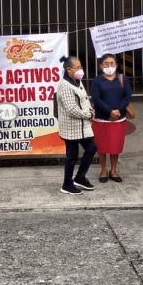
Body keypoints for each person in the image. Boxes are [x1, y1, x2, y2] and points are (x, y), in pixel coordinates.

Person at [57, 55, 96, 195]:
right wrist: (88, 115)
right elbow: (71, 109)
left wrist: (90, 110)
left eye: (81, 67)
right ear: (69, 70)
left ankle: (79, 177)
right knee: (72, 156)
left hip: (83, 126)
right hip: (71, 128)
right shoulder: (64, 86)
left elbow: (84, 100)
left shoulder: (77, 81)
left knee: (91, 148)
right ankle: (67, 184)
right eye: (78, 67)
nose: (81, 70)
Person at [91, 54, 132, 183]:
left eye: (112, 63)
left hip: (118, 119)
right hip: (101, 119)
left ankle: (113, 170)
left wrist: (118, 111)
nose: (109, 66)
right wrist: (110, 111)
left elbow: (127, 96)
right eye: (106, 63)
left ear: (116, 65)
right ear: (101, 65)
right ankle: (103, 170)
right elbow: (96, 99)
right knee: (101, 146)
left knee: (115, 145)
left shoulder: (122, 79)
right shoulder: (97, 81)